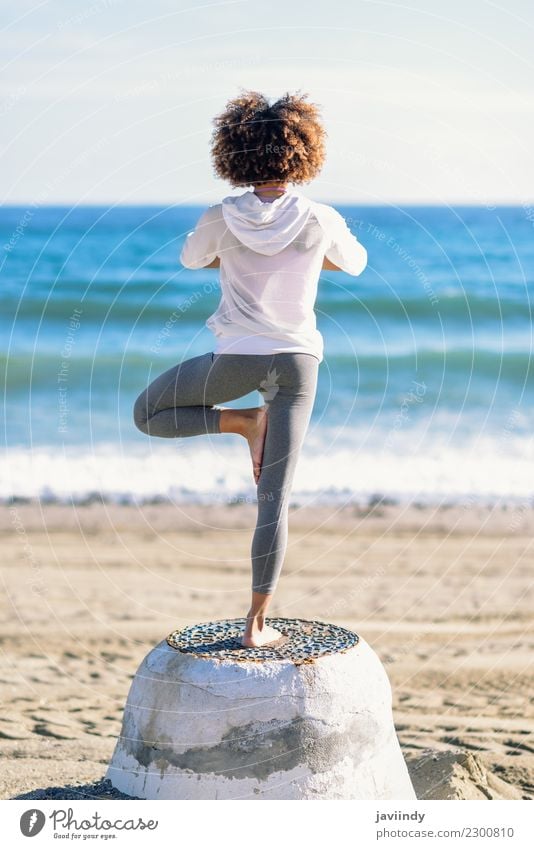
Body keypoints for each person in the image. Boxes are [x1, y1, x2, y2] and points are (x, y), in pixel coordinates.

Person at [134, 90, 367, 647]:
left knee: (146, 414)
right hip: (297, 362)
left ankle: (239, 422)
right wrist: (309, 254)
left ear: (234, 152)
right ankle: (257, 625)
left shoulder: (221, 217)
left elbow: (192, 258)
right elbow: (354, 263)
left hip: (236, 360)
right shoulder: (320, 218)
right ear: (304, 151)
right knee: (275, 499)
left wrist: (234, 252)